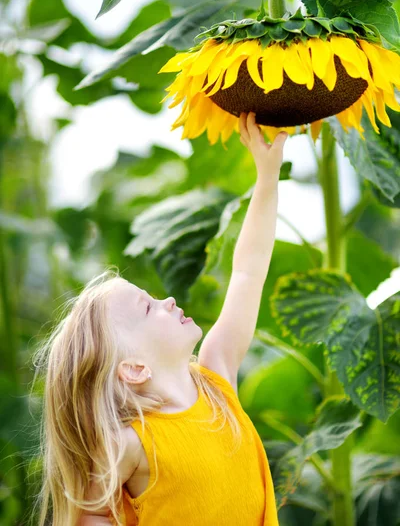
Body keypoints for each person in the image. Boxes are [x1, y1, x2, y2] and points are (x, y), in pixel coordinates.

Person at [30, 112, 288, 526]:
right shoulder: (132, 445)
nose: (167, 299)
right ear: (133, 368)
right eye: (149, 308)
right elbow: (91, 515)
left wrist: (267, 177)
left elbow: (247, 271)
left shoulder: (218, 378)